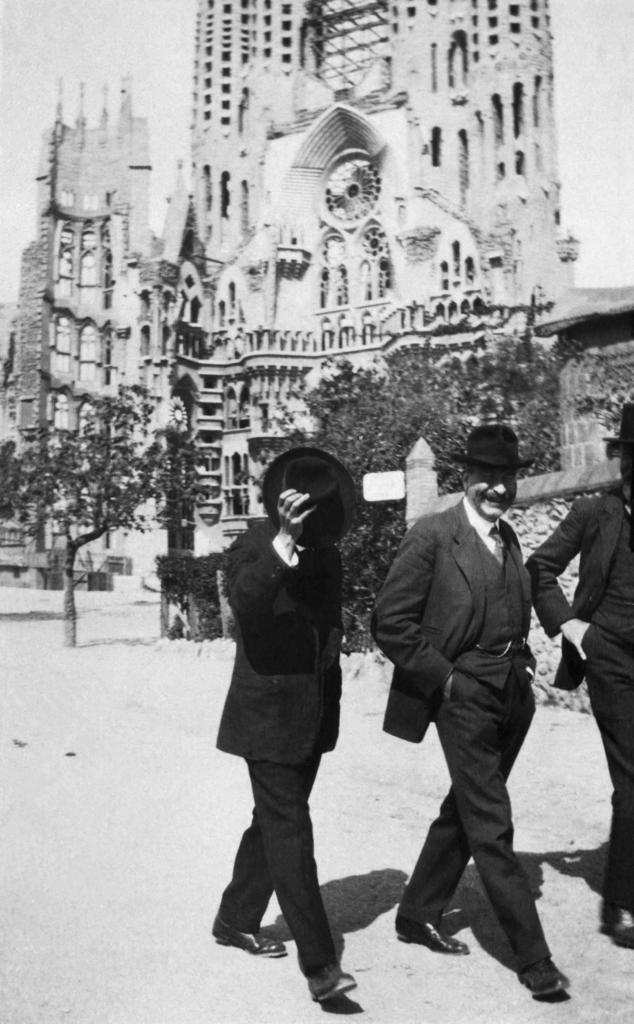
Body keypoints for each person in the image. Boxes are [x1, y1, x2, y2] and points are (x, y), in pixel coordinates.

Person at [372, 424, 569, 998]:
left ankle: (417, 912)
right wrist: (447, 679)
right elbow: (391, 622)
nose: (499, 489)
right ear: (466, 477)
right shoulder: (433, 536)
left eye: (507, 478)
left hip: (511, 688)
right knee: (491, 820)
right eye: (488, 477)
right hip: (460, 693)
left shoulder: (508, 539)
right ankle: (534, 960)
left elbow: (515, 607)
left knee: (467, 804)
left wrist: (527, 662)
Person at [213, 446, 358, 1003]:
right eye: (300, 507)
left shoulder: (328, 553)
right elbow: (247, 605)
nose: (309, 518)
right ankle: (320, 966)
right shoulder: (249, 545)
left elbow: (332, 623)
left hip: (315, 714)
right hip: (268, 716)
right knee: (292, 828)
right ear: (280, 502)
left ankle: (235, 917)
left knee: (272, 821)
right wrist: (282, 544)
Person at [527, 402, 634, 950]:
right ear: (625, 463)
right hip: (611, 657)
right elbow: (539, 568)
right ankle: (621, 904)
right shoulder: (596, 513)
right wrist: (571, 626)